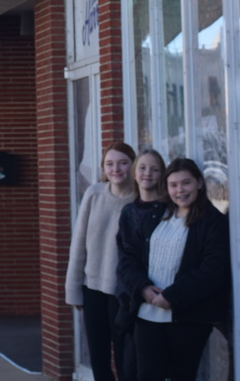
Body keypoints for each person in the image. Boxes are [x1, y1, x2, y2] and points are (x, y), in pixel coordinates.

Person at [119, 157, 230, 381]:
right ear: (166, 187)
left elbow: (213, 271)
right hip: (147, 314)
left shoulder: (213, 221)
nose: (180, 190)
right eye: (173, 185)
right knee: (147, 376)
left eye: (186, 183)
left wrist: (172, 296)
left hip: (188, 318)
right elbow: (128, 258)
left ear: (199, 183)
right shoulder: (155, 215)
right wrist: (143, 288)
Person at [65, 141, 137, 381]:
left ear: (133, 164)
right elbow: (78, 244)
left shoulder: (141, 199)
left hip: (124, 293)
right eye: (110, 164)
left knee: (125, 358)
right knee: (99, 358)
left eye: (123, 163)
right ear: (103, 167)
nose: (116, 169)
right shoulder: (94, 194)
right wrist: (73, 290)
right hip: (93, 288)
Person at [116, 150, 168, 381]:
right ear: (134, 174)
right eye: (143, 168)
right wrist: (141, 288)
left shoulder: (169, 209)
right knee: (131, 367)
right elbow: (125, 257)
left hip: (165, 297)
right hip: (135, 299)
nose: (148, 173)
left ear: (162, 174)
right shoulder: (128, 212)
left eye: (155, 169)